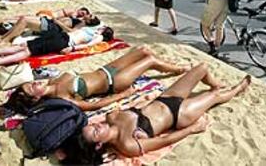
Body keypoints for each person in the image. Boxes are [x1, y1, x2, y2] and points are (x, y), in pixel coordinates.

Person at [77, 64, 251, 164]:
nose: (96, 125)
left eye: (93, 126)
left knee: (202, 68)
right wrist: (193, 129)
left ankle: (215, 84)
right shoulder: (127, 145)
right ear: (99, 145)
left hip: (165, 98)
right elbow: (164, 140)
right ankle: (238, 89)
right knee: (214, 97)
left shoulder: (111, 117)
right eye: (95, 131)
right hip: (179, 116)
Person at [5, 47, 190, 113]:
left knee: (143, 51)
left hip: (105, 69)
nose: (34, 83)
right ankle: (179, 69)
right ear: (36, 98)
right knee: (149, 60)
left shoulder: (52, 82)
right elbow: (95, 105)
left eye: (30, 83)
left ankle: (168, 64)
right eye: (32, 88)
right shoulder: (62, 97)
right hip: (115, 82)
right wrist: (125, 94)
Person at [0, 25, 114, 69]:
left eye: (104, 28)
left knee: (27, 51)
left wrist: (72, 49)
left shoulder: (99, 37)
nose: (102, 26)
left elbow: (88, 46)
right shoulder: (95, 30)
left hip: (64, 43)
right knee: (24, 45)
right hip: (61, 36)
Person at [0, 12, 100, 45]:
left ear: (89, 21)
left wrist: (58, 22)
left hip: (52, 27)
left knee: (25, 21)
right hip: (51, 22)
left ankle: (5, 40)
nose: (88, 14)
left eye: (90, 16)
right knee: (23, 18)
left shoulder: (82, 25)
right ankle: (3, 37)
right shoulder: (80, 19)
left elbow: (72, 32)